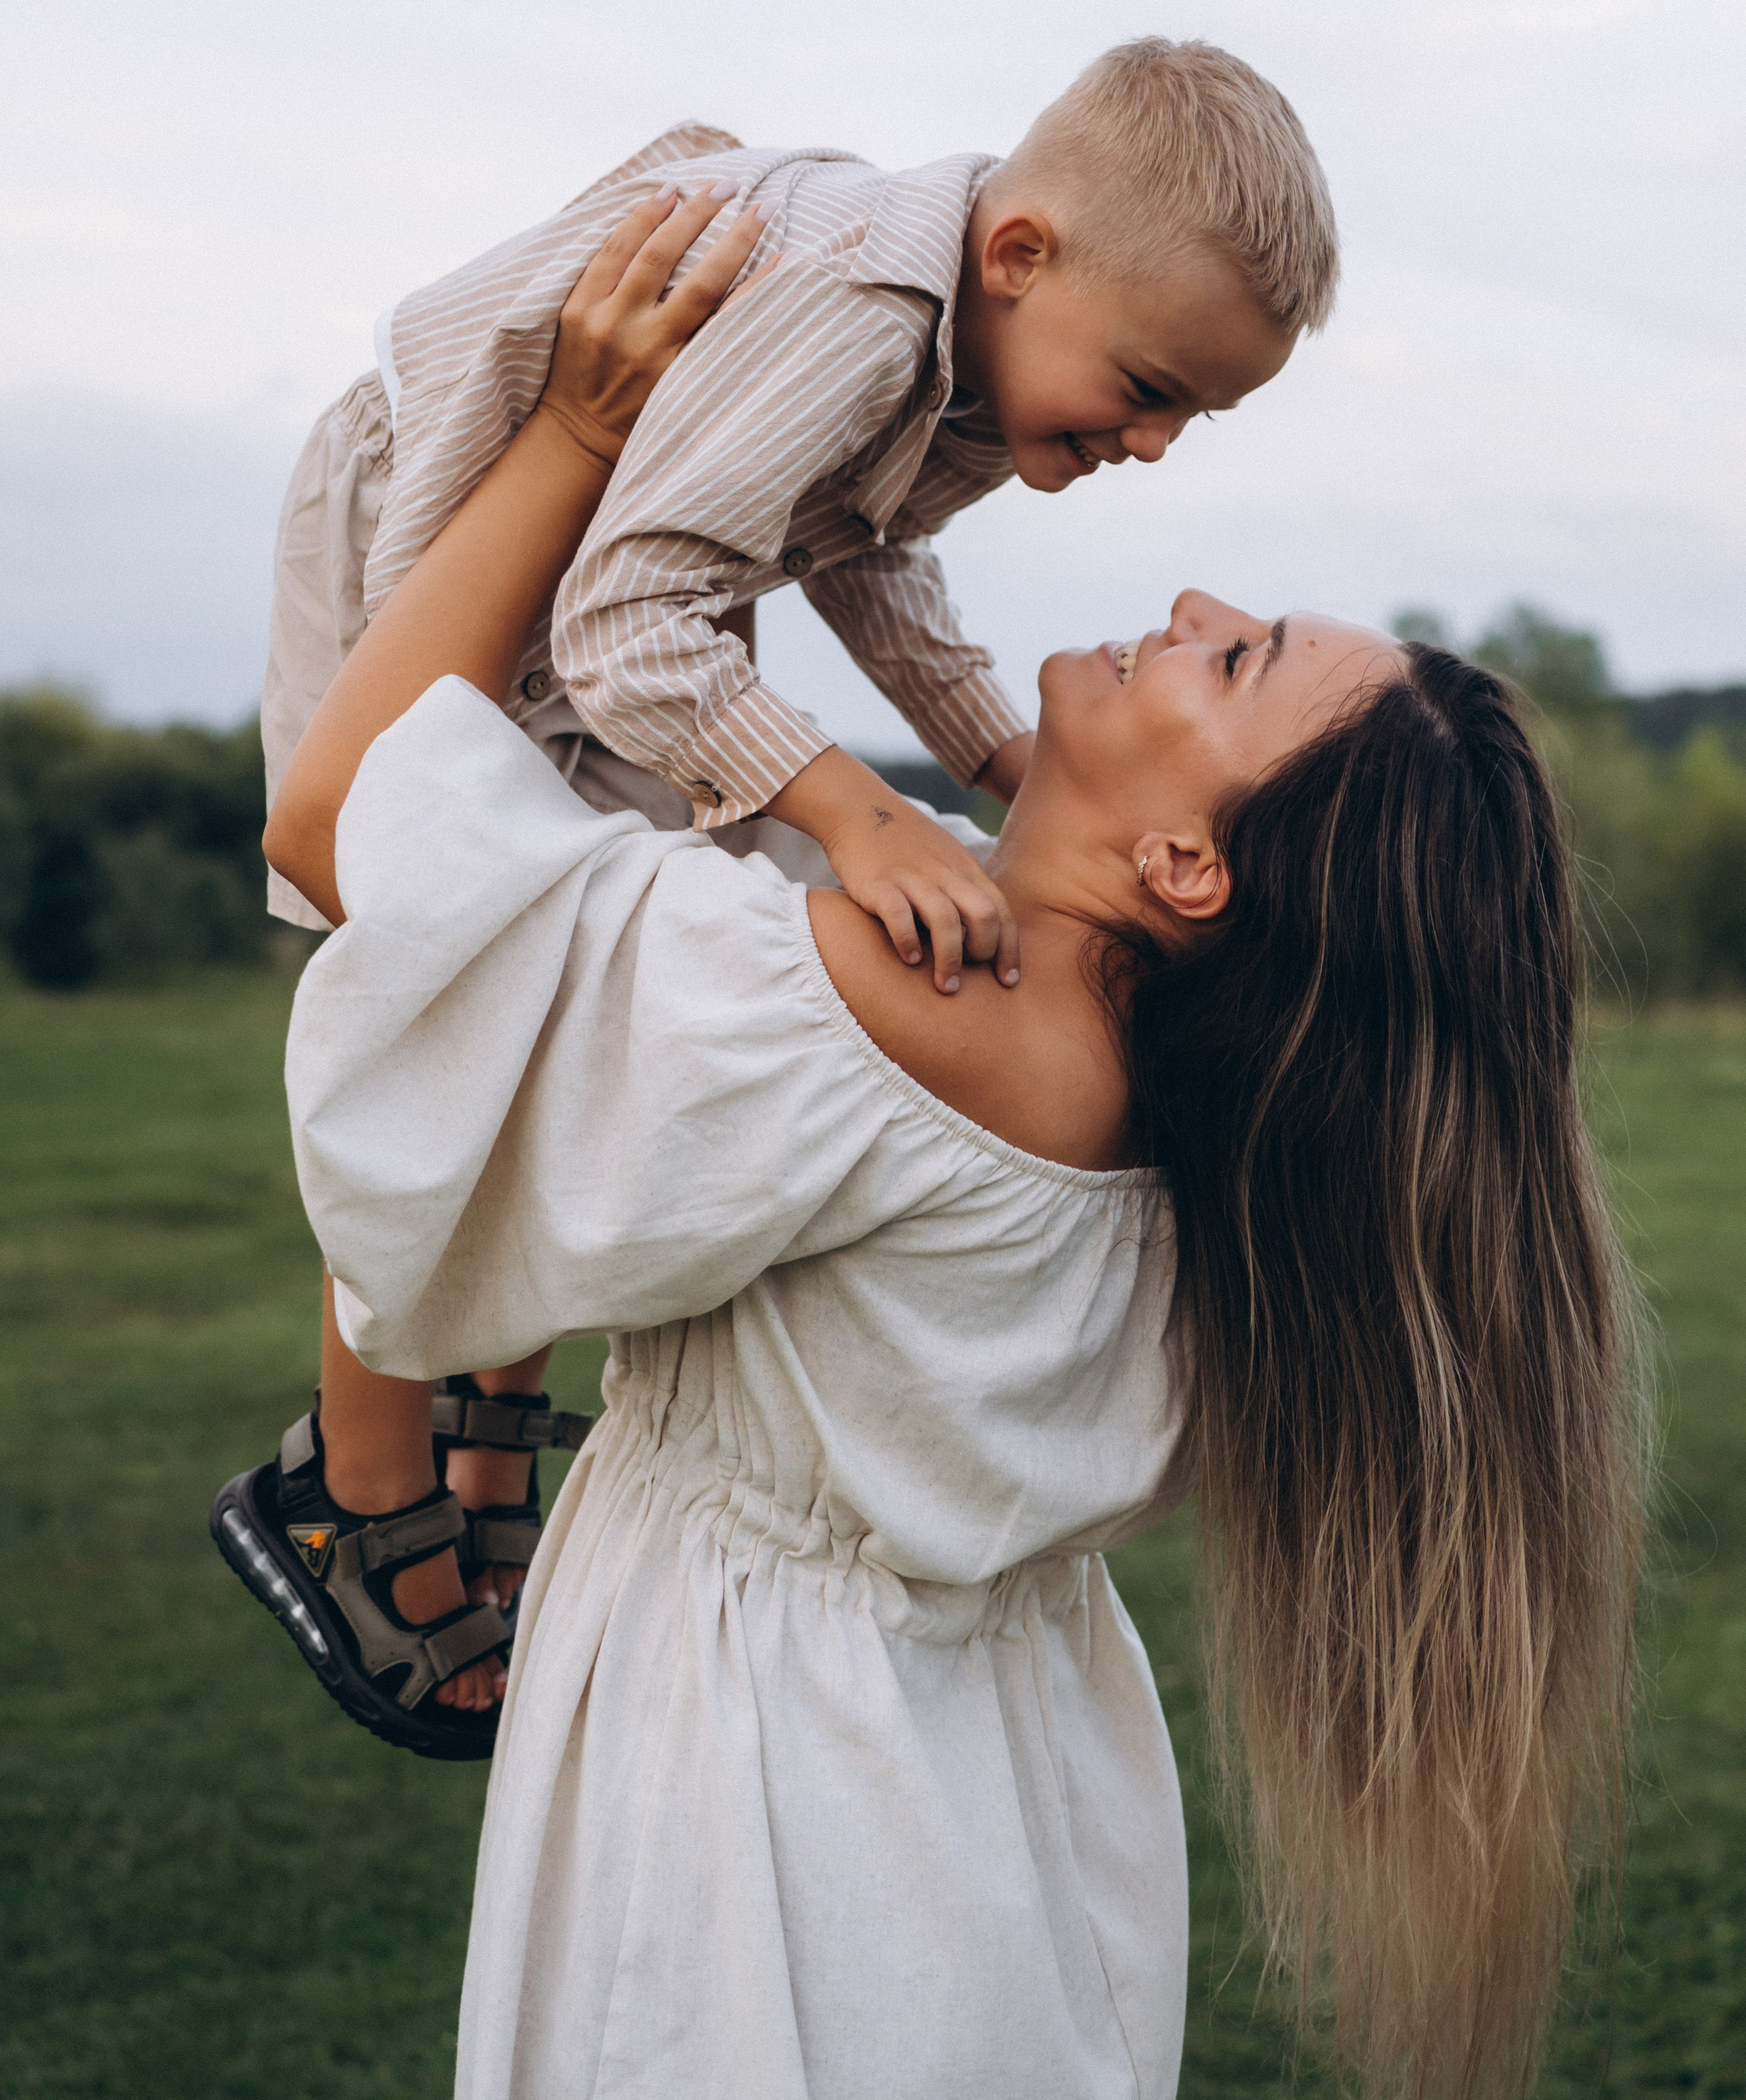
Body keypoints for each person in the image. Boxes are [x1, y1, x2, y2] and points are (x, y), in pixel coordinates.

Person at [233, 236, 1650, 2100]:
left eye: (1235, 658)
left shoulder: (900, 1005)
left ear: (1186, 873)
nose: (1196, 593)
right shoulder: (1192, 1101)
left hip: (764, 1826)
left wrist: (576, 434)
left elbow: (343, 826)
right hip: (1001, 1814)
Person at [227, 39, 1341, 1750]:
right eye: (1145, 386)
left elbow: (864, 554)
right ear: (1018, 253)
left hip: (631, 564)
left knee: (572, 984)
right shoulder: (858, 311)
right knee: (442, 968)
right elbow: (621, 624)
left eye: (1192, 412)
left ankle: (484, 1438)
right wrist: (855, 810)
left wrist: (992, 760)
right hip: (454, 511)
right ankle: (354, 1488)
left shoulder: (976, 363)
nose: (1154, 443)